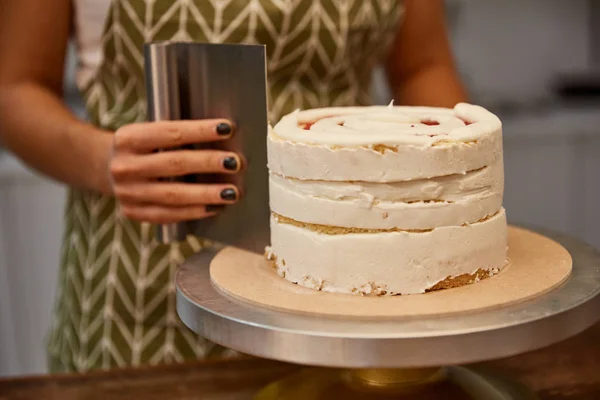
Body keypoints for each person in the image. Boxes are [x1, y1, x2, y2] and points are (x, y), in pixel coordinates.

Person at [0, 0, 467, 373]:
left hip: (346, 289)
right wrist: (102, 160)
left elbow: (422, 66)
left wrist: (462, 181)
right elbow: (14, 88)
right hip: (138, 292)